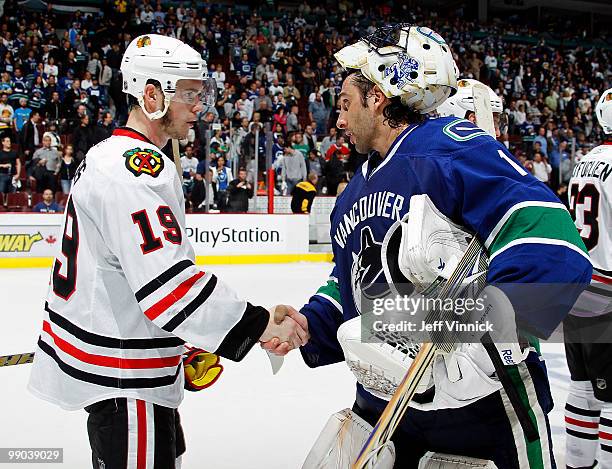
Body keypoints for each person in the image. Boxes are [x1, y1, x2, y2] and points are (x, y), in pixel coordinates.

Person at [263, 24, 591, 467]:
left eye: (344, 103)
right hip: (391, 406)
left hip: (483, 409)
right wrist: (308, 323)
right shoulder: (351, 195)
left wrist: (488, 335)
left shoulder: (448, 149)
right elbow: (350, 283)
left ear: (378, 97)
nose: (337, 120)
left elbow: (548, 232)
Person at [28, 34, 308, 469]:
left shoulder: (107, 154)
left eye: (202, 94)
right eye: (189, 94)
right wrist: (258, 324)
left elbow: (126, 278)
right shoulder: (134, 172)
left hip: (121, 377)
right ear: (152, 94)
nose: (201, 106)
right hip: (128, 385)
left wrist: (181, 342)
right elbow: (169, 289)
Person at [564, 87, 612, 469]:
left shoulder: (583, 161)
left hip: (576, 285)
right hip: (608, 289)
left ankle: (578, 464)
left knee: (582, 389)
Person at [0, 135, 20, 202]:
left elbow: (18, 164)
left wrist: (18, 174)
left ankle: (12, 208)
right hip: (2, 175)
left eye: (10, 141)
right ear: (3, 142)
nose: (9, 143)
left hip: (13, 176)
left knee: (12, 194)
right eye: (7, 141)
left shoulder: (14, 152)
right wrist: (3, 165)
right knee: (1, 192)